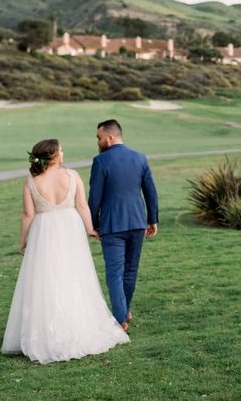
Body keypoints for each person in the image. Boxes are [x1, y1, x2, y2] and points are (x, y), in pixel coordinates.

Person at [1, 139, 130, 363]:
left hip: (43, 232)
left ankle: (46, 332)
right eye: (61, 150)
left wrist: (23, 240)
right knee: (73, 275)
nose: (63, 152)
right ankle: (75, 327)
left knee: (46, 280)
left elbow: (28, 215)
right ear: (54, 156)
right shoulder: (72, 176)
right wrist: (90, 228)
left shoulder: (31, 181)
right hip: (70, 228)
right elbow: (82, 205)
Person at [88, 119, 159, 331]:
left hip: (112, 225)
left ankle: (120, 319)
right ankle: (124, 311)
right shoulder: (140, 157)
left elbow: (95, 198)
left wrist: (93, 224)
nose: (98, 141)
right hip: (137, 222)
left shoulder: (100, 161)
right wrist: (152, 219)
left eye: (99, 137)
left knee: (114, 273)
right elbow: (151, 191)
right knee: (130, 270)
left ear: (110, 137)